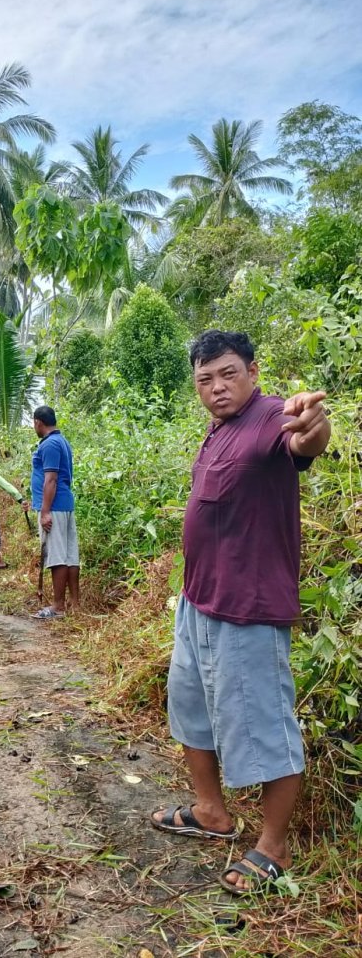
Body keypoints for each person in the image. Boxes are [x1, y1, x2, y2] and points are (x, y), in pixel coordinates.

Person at [150, 330, 331, 896]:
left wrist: (312, 426)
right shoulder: (220, 428)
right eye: (205, 379)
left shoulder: (274, 417)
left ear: (253, 371)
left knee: (264, 726)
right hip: (198, 602)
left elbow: (307, 440)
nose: (216, 387)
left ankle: (272, 846)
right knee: (191, 710)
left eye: (228, 373)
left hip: (247, 609)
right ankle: (211, 812)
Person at [30, 405, 79, 619]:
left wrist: (45, 511)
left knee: (57, 557)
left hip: (55, 506)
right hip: (65, 504)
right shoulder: (63, 442)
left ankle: (58, 607)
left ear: (38, 422)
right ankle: (74, 603)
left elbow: (51, 479)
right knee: (70, 556)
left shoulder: (49, 445)